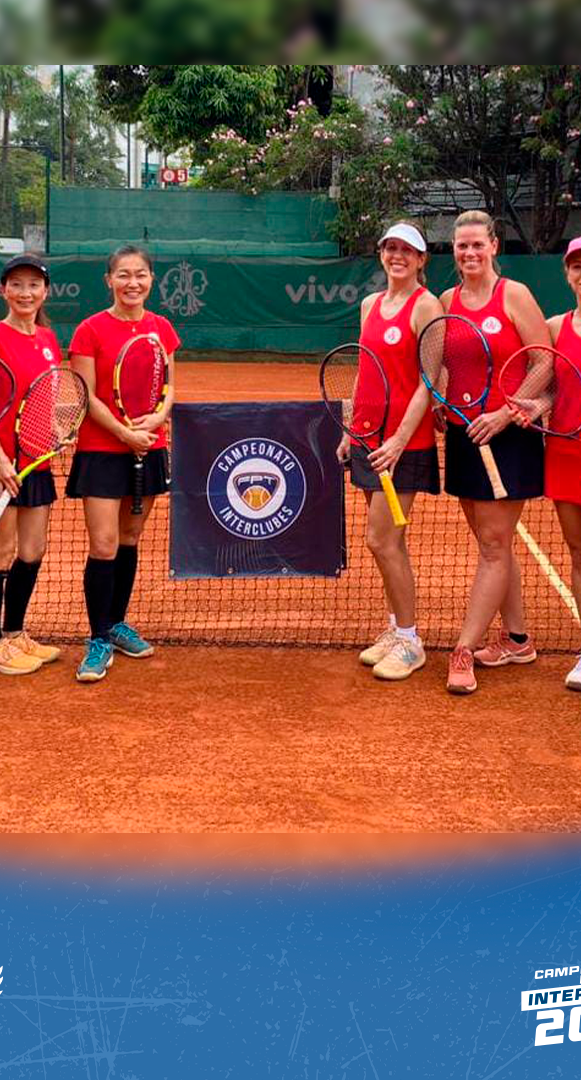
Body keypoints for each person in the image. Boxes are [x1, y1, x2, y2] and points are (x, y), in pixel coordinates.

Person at [441, 210, 550, 694]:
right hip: (463, 435)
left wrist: (506, 413)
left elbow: (543, 363)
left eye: (477, 244)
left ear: (493, 247)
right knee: (495, 545)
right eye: (461, 245)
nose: (469, 253)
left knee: (492, 545)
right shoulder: (446, 301)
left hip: (509, 435)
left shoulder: (515, 295)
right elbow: (445, 364)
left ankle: (464, 648)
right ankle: (518, 640)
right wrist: (442, 403)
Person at [67, 245, 180, 682]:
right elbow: (86, 396)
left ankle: (115, 624)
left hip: (148, 445)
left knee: (130, 537)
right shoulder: (90, 330)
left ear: (151, 279)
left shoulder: (162, 328)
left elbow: (169, 387)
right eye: (123, 275)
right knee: (104, 544)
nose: (132, 283)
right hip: (102, 449)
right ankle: (97, 638)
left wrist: (158, 417)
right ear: (109, 280)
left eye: (140, 274)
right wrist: (123, 432)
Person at [339, 221, 442, 680]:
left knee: (381, 539)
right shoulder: (370, 305)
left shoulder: (427, 306)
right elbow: (366, 369)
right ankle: (395, 628)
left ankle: (410, 640)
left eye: (407, 250)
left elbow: (429, 381)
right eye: (390, 248)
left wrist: (399, 439)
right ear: (381, 253)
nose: (397, 256)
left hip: (404, 445)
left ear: (421, 259)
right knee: (388, 543)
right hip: (367, 437)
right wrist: (351, 429)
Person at [0, 253, 62, 675]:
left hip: (35, 463)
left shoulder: (48, 339)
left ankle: (14, 633)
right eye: (17, 285)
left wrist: (55, 429)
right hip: (4, 466)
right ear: (4, 290)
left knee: (32, 551)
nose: (26, 293)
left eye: (34, 285)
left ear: (45, 291)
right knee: (2, 554)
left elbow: (46, 395)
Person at [545, 237, 581, 689]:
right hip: (566, 455)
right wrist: (534, 405)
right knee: (578, 552)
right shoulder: (555, 328)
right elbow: (548, 388)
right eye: (576, 266)